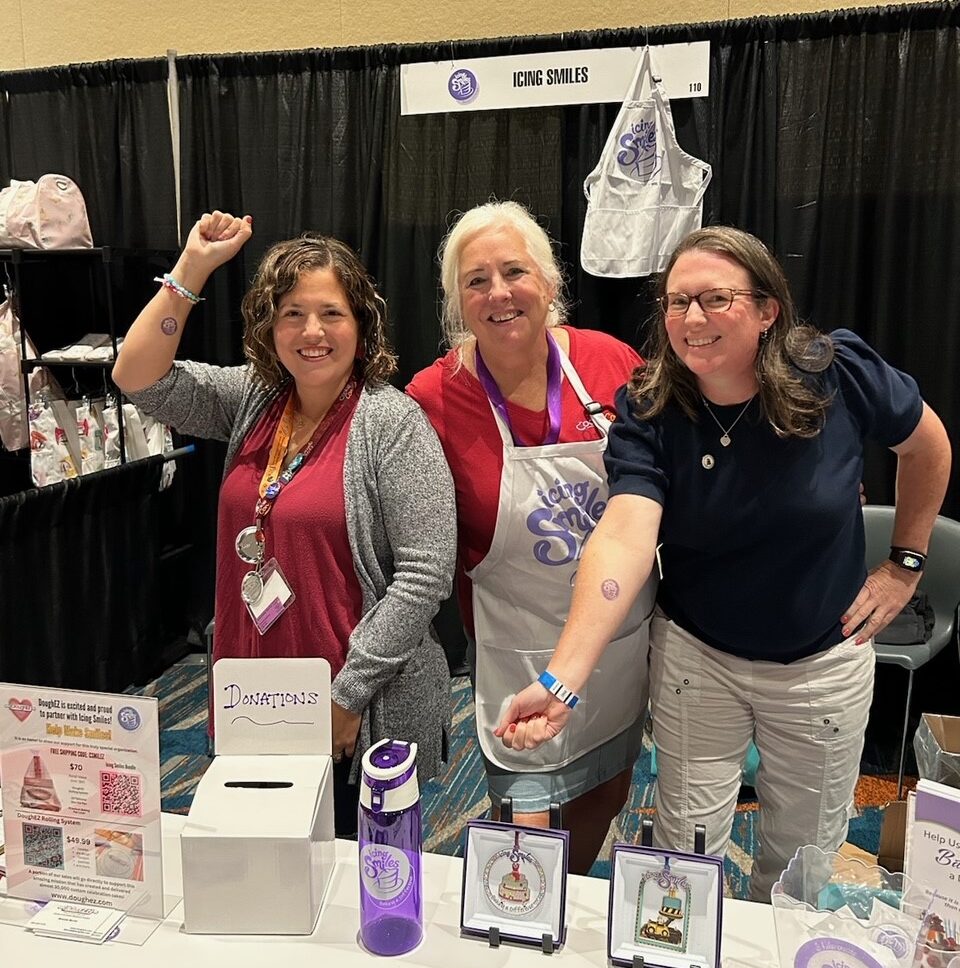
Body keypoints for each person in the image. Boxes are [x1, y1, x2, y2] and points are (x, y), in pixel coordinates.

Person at [495, 225, 952, 900]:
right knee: (685, 856)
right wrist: (562, 681)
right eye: (678, 303)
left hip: (821, 666)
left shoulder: (837, 371)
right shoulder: (650, 406)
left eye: (716, 298)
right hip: (698, 662)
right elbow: (623, 535)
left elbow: (928, 448)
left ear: (768, 310)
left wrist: (904, 565)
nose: (692, 319)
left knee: (802, 867)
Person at [113, 210, 456, 835]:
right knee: (262, 871)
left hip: (352, 701)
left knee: (355, 882)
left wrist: (348, 699)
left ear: (362, 324)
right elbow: (136, 374)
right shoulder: (254, 398)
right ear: (268, 326)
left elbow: (424, 577)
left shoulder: (392, 422)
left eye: (331, 312)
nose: (312, 331)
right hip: (253, 690)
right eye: (292, 313)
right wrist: (192, 269)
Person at [407, 200, 657, 873]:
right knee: (521, 846)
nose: (498, 293)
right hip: (514, 648)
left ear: (549, 283)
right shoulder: (432, 398)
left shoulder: (611, 364)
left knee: (603, 796)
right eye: (475, 280)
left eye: (514, 271)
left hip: (615, 644)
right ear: (457, 303)